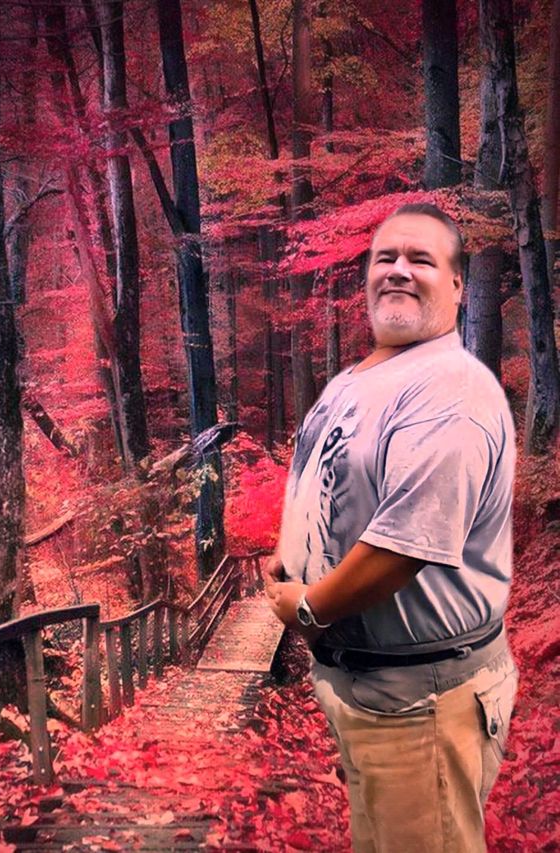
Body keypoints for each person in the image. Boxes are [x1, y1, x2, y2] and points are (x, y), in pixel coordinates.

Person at [266, 203, 518, 853]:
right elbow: (327, 481)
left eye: (421, 259)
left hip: (422, 700)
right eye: (386, 258)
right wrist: (288, 554)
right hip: (371, 692)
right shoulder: (357, 381)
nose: (398, 270)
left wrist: (309, 607)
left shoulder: (449, 388)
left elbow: (404, 546)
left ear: (458, 286)